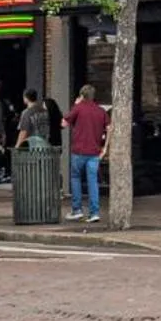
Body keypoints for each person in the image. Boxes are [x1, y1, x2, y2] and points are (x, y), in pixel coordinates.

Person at [63, 84, 109, 222]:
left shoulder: (78, 108)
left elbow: (64, 123)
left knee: (76, 178)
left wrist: (75, 105)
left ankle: (77, 209)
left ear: (82, 96)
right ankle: (94, 212)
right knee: (93, 181)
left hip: (79, 150)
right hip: (95, 151)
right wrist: (105, 147)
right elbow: (109, 128)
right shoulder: (101, 111)